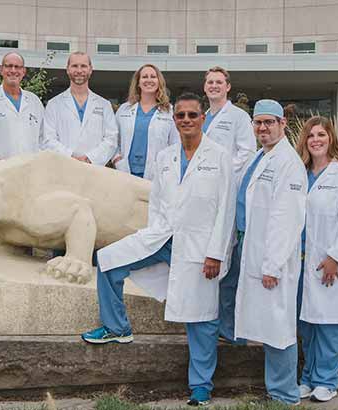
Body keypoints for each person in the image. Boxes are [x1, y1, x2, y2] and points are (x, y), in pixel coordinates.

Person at [81, 93, 236, 407]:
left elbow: (227, 210)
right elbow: (158, 202)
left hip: (200, 246)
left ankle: (201, 387)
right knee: (108, 260)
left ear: (202, 118)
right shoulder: (165, 157)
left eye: (193, 115)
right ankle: (117, 327)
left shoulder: (220, 156)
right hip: (162, 237)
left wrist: (216, 252)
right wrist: (150, 235)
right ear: (175, 119)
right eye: (181, 116)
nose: (187, 120)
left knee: (201, 318)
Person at [232, 100, 307, 405]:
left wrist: (273, 265)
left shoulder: (288, 163)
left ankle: (285, 394)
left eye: (268, 123)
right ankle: (276, 389)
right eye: (257, 123)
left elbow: (286, 219)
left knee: (279, 327)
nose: (262, 128)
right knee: (268, 324)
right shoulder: (263, 157)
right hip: (258, 253)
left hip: (273, 261)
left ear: (282, 124)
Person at [295, 116, 338, 403]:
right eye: (311, 136)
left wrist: (335, 257)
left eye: (321, 134)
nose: (316, 140)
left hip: (326, 261)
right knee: (305, 323)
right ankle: (308, 377)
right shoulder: (298, 173)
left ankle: (327, 379)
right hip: (297, 261)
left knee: (329, 322)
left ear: (331, 139)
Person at [204, 66, 257, 345]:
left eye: (219, 82)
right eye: (210, 82)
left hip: (227, 193)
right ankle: (212, 322)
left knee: (229, 262)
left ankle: (231, 327)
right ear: (205, 87)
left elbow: (245, 153)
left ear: (228, 87)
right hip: (203, 198)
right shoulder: (202, 118)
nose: (214, 86)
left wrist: (218, 173)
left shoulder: (238, 117)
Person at [0, 52, 56, 162]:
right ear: (1, 70)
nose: (13, 70)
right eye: (8, 66)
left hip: (30, 171)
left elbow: (44, 137)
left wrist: (37, 160)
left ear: (23, 71)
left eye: (17, 67)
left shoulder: (34, 101)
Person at [43, 51, 118, 165]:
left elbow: (111, 139)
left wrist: (89, 158)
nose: (79, 70)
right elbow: (48, 139)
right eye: (74, 66)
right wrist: (70, 157)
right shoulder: (54, 104)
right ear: (67, 69)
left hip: (94, 168)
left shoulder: (104, 105)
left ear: (90, 69)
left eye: (83, 66)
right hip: (64, 167)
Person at [112, 64, 178, 179]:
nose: (149, 80)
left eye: (153, 77)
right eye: (144, 77)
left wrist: (167, 166)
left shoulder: (169, 111)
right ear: (138, 82)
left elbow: (175, 144)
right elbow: (113, 139)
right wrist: (117, 159)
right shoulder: (124, 109)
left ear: (159, 82)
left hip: (157, 174)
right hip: (125, 171)